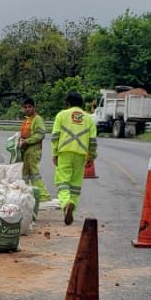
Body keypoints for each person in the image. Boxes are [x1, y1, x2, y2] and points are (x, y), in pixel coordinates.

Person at [51, 91, 98, 225]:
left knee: (62, 182)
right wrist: (92, 155)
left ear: (68, 103)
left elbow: (55, 136)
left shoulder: (61, 115)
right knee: (75, 184)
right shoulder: (89, 118)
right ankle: (72, 205)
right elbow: (93, 141)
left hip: (64, 152)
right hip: (81, 154)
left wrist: (54, 153)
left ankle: (66, 204)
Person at [18, 97, 47, 211]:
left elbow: (41, 134)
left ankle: (43, 195)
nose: (27, 109)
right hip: (25, 150)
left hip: (33, 150)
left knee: (34, 173)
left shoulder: (37, 119)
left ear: (34, 107)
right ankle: (25, 193)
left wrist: (27, 141)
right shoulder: (27, 120)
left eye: (30, 107)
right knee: (25, 173)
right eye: (25, 107)